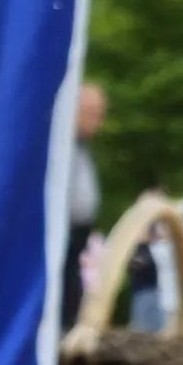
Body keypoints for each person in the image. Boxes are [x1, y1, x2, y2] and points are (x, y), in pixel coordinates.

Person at [61, 80, 106, 329]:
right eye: (92, 113)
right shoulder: (62, 148)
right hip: (64, 235)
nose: (97, 122)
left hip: (78, 237)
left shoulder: (81, 147)